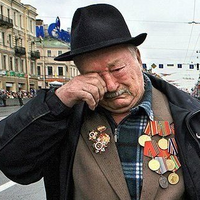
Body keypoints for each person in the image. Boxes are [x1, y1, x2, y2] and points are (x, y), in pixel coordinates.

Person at [0, 4, 200, 200]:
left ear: (138, 58)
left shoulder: (187, 113)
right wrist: (57, 103)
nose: (111, 86)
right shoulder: (65, 115)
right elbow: (14, 163)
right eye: (93, 75)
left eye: (117, 69)